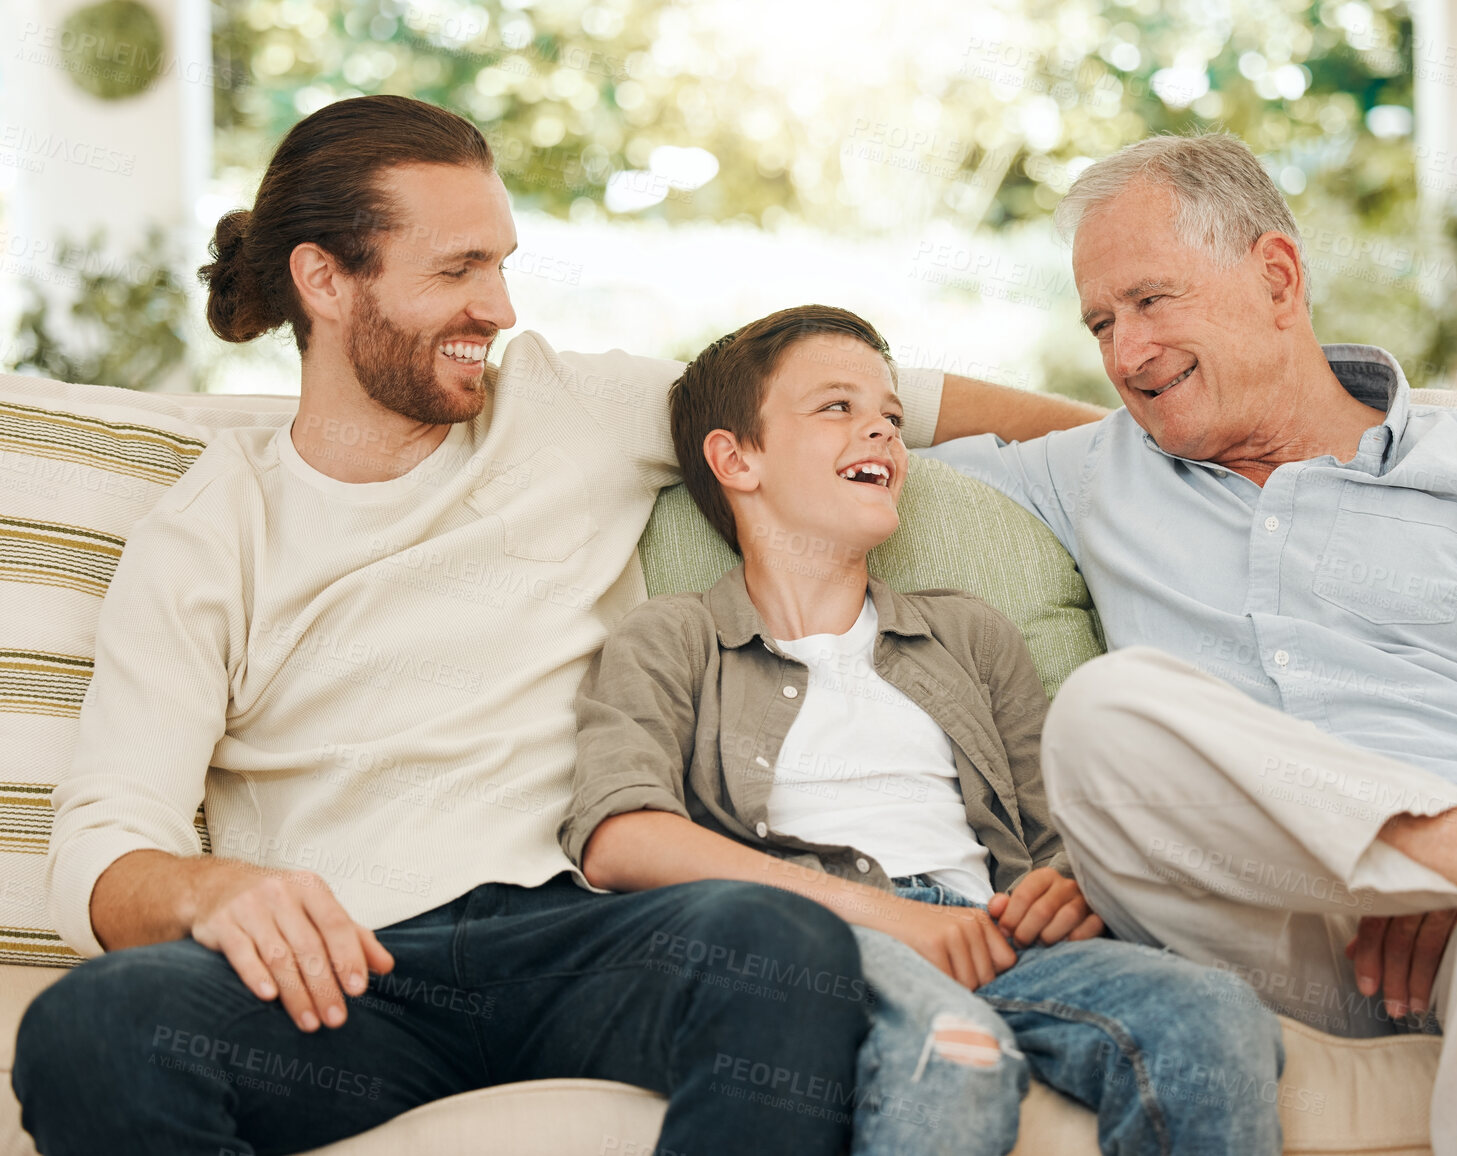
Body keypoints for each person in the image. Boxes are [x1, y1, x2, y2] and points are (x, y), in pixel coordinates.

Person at [11, 96, 1099, 1156]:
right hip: (352, 975)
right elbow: (104, 840)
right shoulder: (212, 528)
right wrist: (207, 888)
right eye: (456, 270)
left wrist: (1130, 444)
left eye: (501, 264)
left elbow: (889, 395)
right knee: (90, 1028)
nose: (500, 309)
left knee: (776, 939)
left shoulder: (564, 406)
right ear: (325, 280)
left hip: (589, 933)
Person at [920, 131, 1457, 1156]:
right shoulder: (1087, 470)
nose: (1124, 354)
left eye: (1152, 302)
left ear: (1275, 277)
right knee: (1102, 712)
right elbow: (848, 407)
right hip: (1251, 934)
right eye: (1099, 324)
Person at [563, 303, 1286, 1156]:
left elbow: (1057, 833)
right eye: (838, 407)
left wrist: (1069, 885)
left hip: (992, 934)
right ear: (736, 457)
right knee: (955, 1057)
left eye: (893, 418)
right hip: (823, 944)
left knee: (1215, 1013)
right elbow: (619, 835)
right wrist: (891, 918)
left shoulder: (968, 633)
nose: (880, 430)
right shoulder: (674, 636)